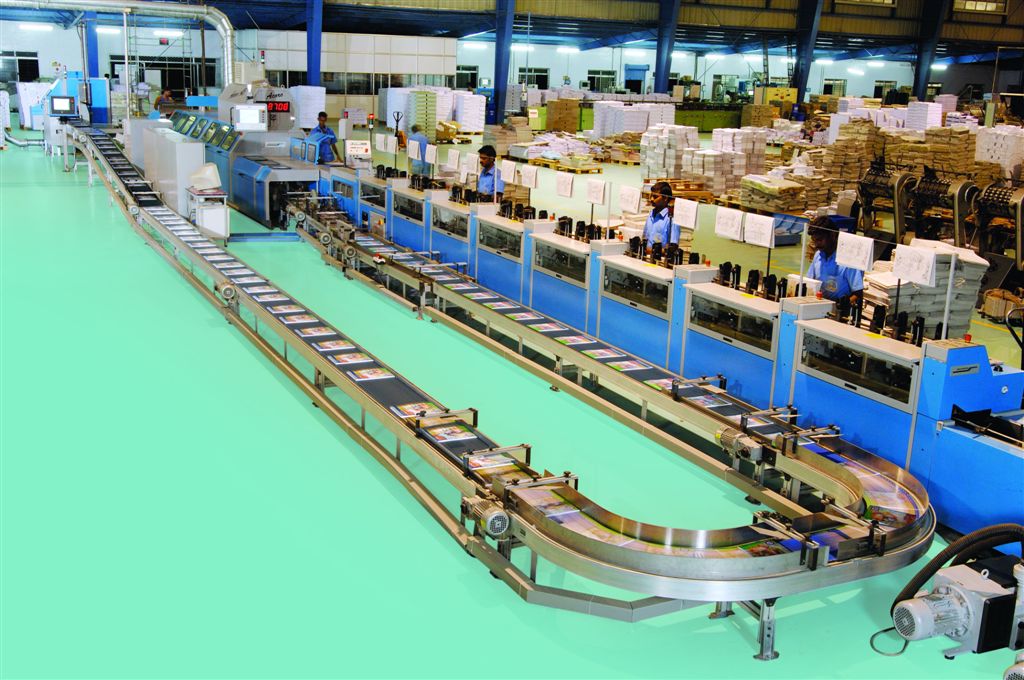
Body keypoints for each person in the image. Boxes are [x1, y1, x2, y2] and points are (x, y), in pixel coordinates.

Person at [806, 217, 864, 301]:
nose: (816, 244)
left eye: (820, 240)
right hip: (819, 303)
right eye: (814, 240)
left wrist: (841, 306)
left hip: (840, 305)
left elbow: (858, 294)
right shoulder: (818, 255)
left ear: (832, 235)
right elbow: (809, 282)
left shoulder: (848, 259)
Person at [641, 181, 678, 254]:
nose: (651, 199)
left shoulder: (671, 219)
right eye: (651, 196)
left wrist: (650, 251)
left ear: (665, 198)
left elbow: (673, 249)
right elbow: (645, 237)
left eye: (655, 197)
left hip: (659, 259)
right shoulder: (651, 214)